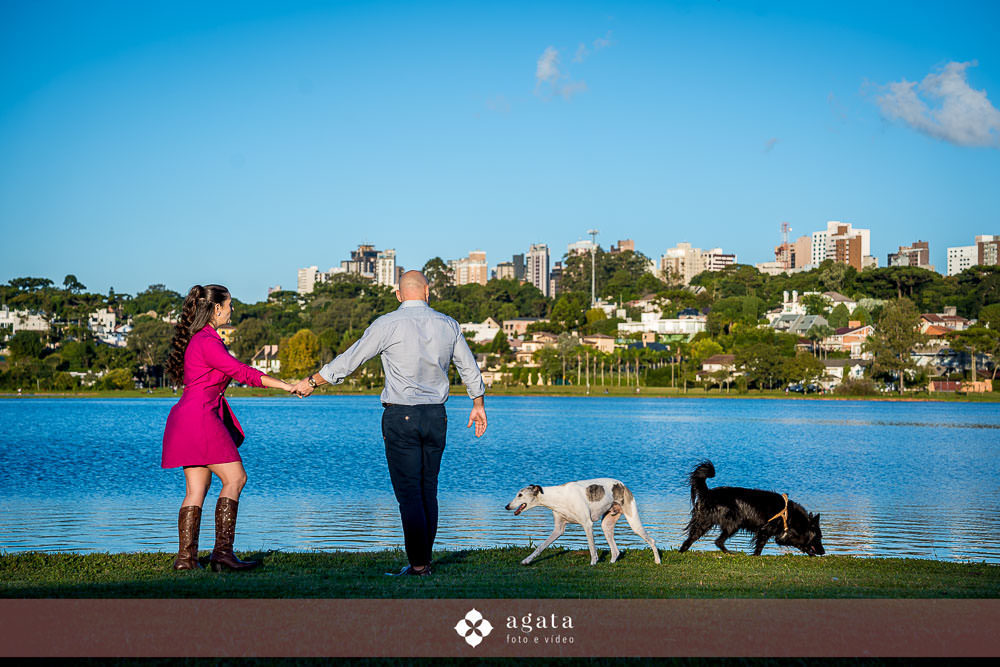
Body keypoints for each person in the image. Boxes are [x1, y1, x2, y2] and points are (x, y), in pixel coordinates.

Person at [291, 270, 487, 576]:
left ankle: (419, 565)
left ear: (398, 295)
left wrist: (313, 382)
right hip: (436, 416)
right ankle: (425, 560)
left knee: (409, 494)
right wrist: (478, 404)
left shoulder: (387, 324)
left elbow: (351, 359)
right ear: (427, 291)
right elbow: (469, 367)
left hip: (402, 415)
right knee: (428, 491)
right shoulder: (449, 325)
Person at [162, 284, 295, 571]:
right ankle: (222, 555)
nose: (233, 309)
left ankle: (186, 560)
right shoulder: (208, 342)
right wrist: (285, 385)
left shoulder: (199, 339)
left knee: (197, 488)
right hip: (199, 418)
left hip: (186, 418)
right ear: (216, 308)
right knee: (235, 478)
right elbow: (242, 372)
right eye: (230, 304)